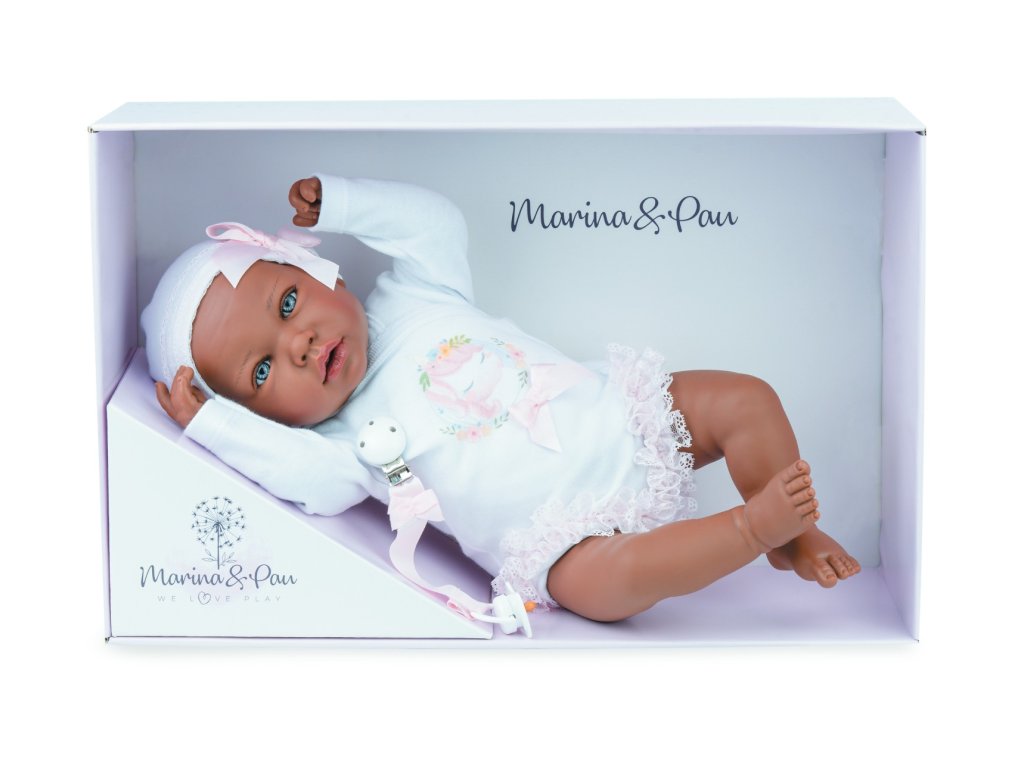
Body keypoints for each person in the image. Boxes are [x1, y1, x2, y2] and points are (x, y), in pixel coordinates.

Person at [143, 174, 860, 624]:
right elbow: (302, 479)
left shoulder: (414, 293)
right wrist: (215, 426)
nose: (297, 344)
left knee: (743, 400)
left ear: (314, 266)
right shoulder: (342, 446)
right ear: (262, 415)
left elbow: (436, 224)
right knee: (613, 586)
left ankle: (793, 537)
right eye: (262, 372)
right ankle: (750, 530)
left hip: (618, 422)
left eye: (288, 302)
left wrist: (345, 201)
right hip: (562, 540)